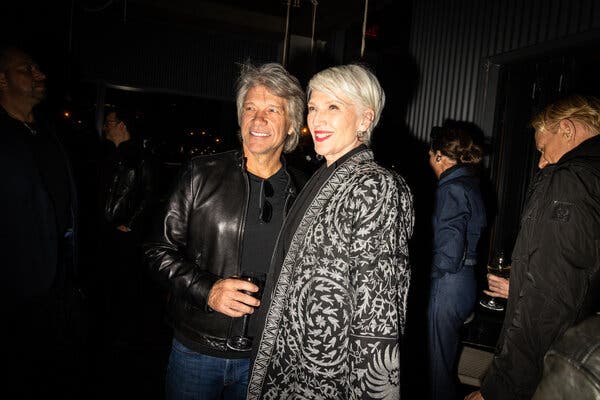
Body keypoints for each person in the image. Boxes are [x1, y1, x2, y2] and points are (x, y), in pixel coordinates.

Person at [247, 64, 415, 399]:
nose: (318, 120)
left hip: (328, 378)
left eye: (333, 107)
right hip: (297, 364)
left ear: (365, 119)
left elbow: (378, 313)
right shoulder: (324, 176)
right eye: (313, 108)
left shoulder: (374, 185)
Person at [143, 62, 306, 400]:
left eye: (272, 110)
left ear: (291, 124)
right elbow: (157, 250)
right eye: (250, 108)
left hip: (267, 358)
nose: (257, 119)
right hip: (198, 352)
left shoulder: (305, 192)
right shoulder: (201, 174)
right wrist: (209, 290)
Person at [466, 94, 600, 400]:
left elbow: (548, 301)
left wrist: (499, 388)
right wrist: (525, 279)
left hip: (551, 369)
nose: (541, 162)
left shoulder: (571, 180)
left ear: (567, 130)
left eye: (542, 149)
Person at [0, 45, 85, 397]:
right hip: (13, 287)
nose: (40, 74)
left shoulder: (50, 133)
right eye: (27, 69)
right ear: (2, 80)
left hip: (59, 280)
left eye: (38, 67)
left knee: (54, 371)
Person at [427, 125, 487, 400]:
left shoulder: (451, 189)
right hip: (465, 280)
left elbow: (448, 255)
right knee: (444, 363)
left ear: (439, 156)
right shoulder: (470, 185)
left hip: (448, 284)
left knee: (436, 368)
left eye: (430, 154)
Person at [93, 107, 155, 344]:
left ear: (122, 125)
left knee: (124, 282)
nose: (105, 126)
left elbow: (149, 195)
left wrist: (129, 224)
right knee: (104, 281)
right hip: (104, 230)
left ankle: (123, 332)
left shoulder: (142, 157)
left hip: (125, 235)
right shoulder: (105, 155)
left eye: (109, 122)